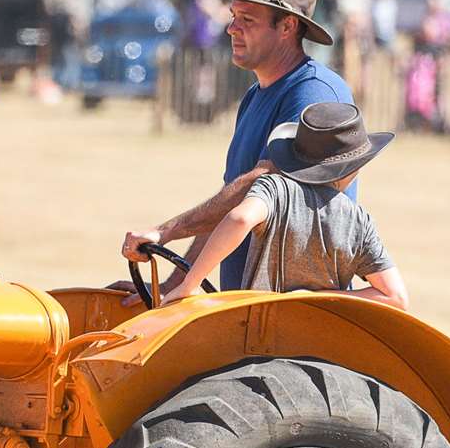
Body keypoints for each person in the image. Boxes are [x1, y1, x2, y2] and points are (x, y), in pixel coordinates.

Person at [119, 0, 355, 296]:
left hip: (294, 312)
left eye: (247, 19)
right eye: (233, 17)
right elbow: (230, 198)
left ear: (287, 27)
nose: (232, 28)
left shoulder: (315, 93)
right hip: (248, 306)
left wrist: (167, 231)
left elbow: (262, 183)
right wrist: (172, 285)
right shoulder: (254, 96)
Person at [162, 102, 407, 311]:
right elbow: (395, 297)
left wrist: (190, 284)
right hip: (324, 340)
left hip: (259, 331)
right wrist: (314, 298)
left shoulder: (274, 188)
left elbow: (239, 219)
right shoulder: (358, 221)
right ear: (353, 168)